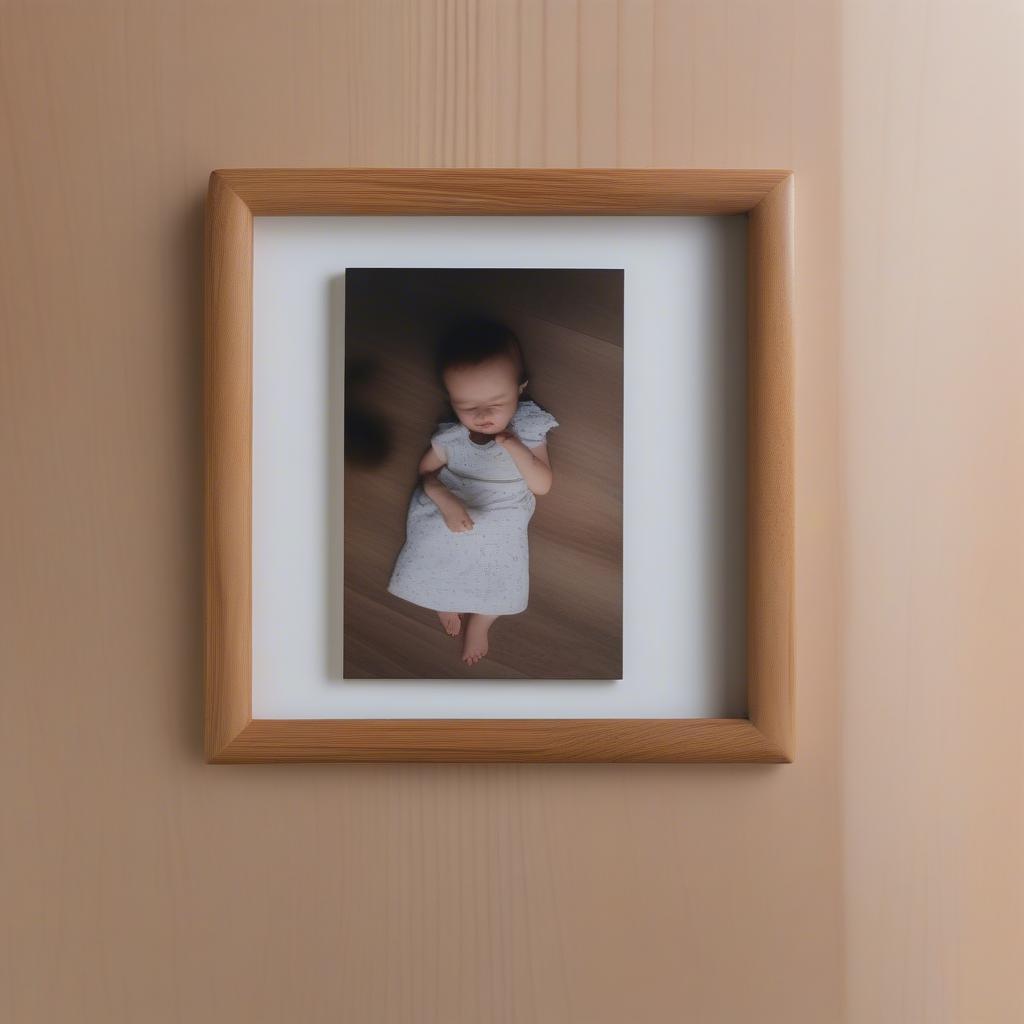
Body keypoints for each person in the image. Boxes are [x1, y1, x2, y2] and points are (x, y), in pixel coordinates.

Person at [386, 318, 560, 667]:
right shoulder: (450, 436)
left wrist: (514, 447)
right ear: (452, 402)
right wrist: (442, 497)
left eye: (496, 402)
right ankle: (441, 596)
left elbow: (542, 485)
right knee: (433, 543)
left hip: (503, 510)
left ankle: (483, 619)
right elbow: (426, 471)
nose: (482, 416)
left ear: (520, 389)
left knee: (503, 565)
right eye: (467, 407)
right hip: (451, 500)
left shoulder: (528, 428)